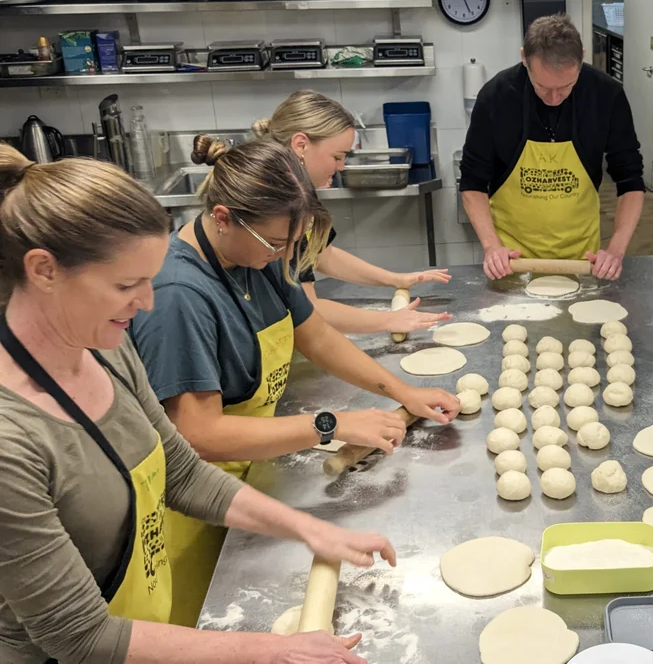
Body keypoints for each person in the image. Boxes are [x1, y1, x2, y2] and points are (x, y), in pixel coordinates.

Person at [0, 144, 394, 664]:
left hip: (142, 628)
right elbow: (78, 635)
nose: (147, 302)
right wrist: (270, 651)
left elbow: (181, 473)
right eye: (126, 284)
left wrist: (309, 528)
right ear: (44, 270)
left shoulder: (105, 351)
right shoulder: (12, 440)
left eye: (149, 277)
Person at [130, 139, 459, 626]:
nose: (286, 254)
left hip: (256, 481)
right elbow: (200, 436)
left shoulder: (256, 259)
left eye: (292, 242)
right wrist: (331, 424)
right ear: (222, 217)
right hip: (197, 514)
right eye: (276, 243)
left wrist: (403, 393)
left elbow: (318, 337)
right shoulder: (180, 295)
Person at [215, 89, 452, 336]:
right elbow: (309, 307)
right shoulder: (275, 204)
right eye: (337, 156)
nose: (341, 166)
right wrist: (388, 321)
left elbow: (320, 255)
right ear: (301, 145)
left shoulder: (296, 191)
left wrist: (395, 279)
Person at [460, 13, 646, 281]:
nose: (554, 99)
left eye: (567, 86)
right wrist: (491, 247)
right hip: (512, 261)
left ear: (582, 57)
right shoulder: (496, 97)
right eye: (543, 87)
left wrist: (615, 251)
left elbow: (630, 181)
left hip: (583, 260)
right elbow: (472, 183)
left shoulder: (606, 96)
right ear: (524, 57)